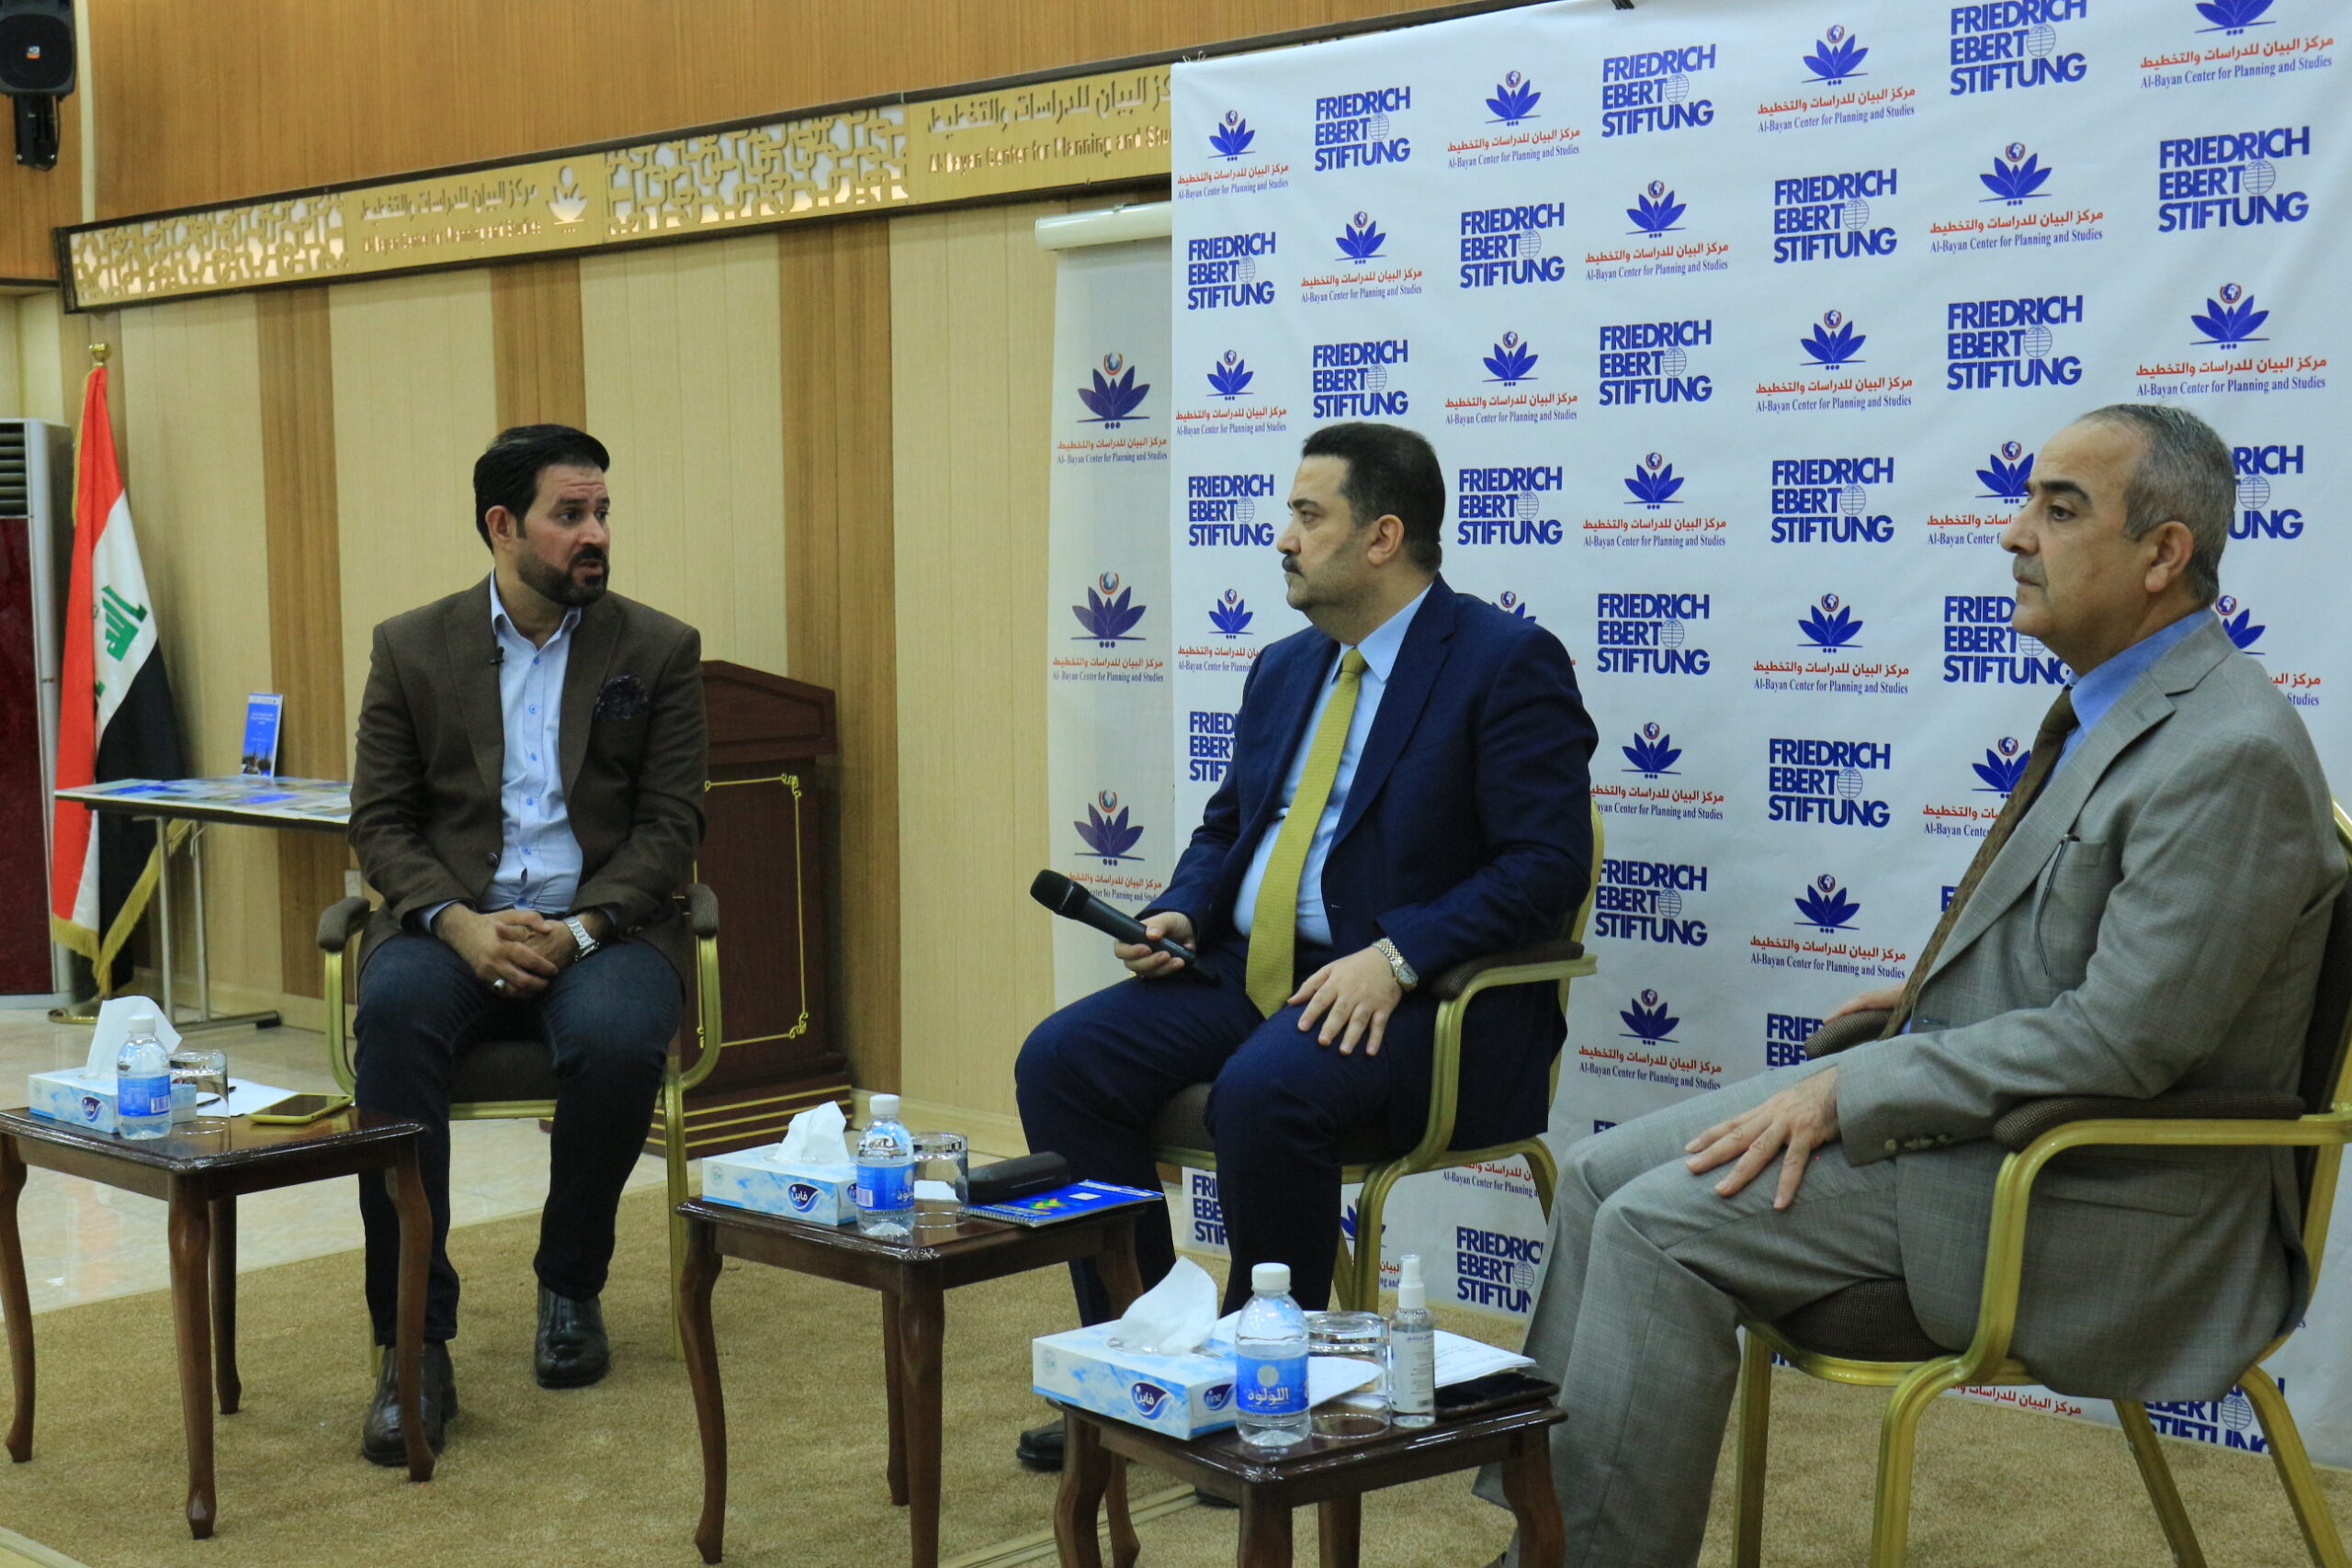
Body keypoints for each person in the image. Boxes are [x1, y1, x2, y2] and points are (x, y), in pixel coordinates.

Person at [1476, 403, 2342, 1568]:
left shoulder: (2228, 751)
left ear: (2163, 554)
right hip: (1998, 1131)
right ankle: (1551, 1542)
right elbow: (2089, 967)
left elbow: (2125, 1042)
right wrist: (1912, 1014)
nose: (2013, 533)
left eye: (2059, 509)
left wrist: (1856, 1090)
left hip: (2090, 1191)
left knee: (1654, 1230)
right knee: (1593, 1180)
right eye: (2026, 502)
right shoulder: (2126, 704)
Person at [1016, 422, 1596, 1468]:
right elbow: (1229, 830)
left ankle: (1259, 1387)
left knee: (1265, 1089)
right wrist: (1184, 910)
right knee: (1062, 1060)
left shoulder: (1504, 662)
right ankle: (1145, 1359)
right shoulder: (1286, 668)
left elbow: (1544, 865)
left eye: (1306, 514)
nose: (1283, 537)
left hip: (1421, 999)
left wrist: (1399, 955)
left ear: (1382, 537)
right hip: (1250, 970)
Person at [345, 424, 707, 1464]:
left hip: (601, 924)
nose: (596, 534)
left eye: (602, 513)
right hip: (452, 923)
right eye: (570, 514)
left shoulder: (657, 647)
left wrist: (583, 925)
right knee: (395, 1020)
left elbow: (672, 824)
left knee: (621, 1039)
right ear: (503, 525)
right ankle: (413, 1341)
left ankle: (570, 1283)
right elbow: (381, 821)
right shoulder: (412, 646)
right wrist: (457, 923)